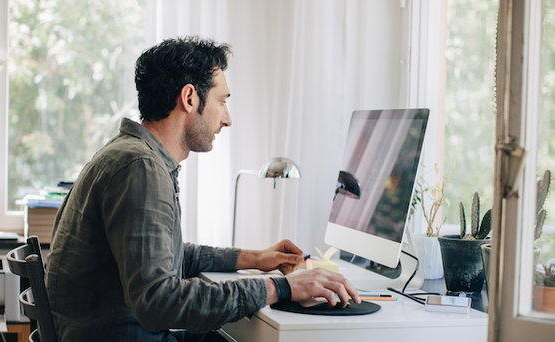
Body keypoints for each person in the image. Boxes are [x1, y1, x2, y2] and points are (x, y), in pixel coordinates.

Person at [45, 36, 360, 342]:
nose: (227, 119)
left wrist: (256, 257)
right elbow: (158, 301)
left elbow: (170, 256)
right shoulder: (139, 168)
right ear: (190, 98)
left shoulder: (131, 155)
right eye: (222, 102)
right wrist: (283, 287)